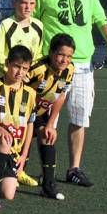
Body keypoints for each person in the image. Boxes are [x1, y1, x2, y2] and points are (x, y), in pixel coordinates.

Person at [33, 0, 107, 187]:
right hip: (53, 66)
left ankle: (74, 169)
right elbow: (35, 22)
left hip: (82, 65)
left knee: (79, 117)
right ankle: (46, 170)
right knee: (47, 119)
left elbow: (100, 18)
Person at [0, 0, 44, 187]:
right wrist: (11, 72)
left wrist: (31, 74)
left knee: (25, 126)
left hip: (27, 87)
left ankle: (20, 170)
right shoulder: (6, 25)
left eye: (31, 3)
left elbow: (38, 56)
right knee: (5, 125)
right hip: (7, 85)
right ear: (14, 3)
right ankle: (2, 166)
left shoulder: (38, 26)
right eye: (23, 3)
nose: (27, 7)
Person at [0, 45, 37, 209]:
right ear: (7, 63)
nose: (20, 72)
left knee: (9, 194)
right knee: (4, 141)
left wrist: (24, 155)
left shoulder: (31, 94)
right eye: (16, 67)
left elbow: (30, 125)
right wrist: (0, 130)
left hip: (16, 148)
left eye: (25, 69)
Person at [22, 33, 76, 201]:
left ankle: (48, 184)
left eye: (68, 56)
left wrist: (51, 124)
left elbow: (60, 96)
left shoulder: (69, 70)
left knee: (47, 136)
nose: (64, 60)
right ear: (51, 53)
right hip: (20, 113)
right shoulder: (37, 69)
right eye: (60, 55)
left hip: (40, 113)